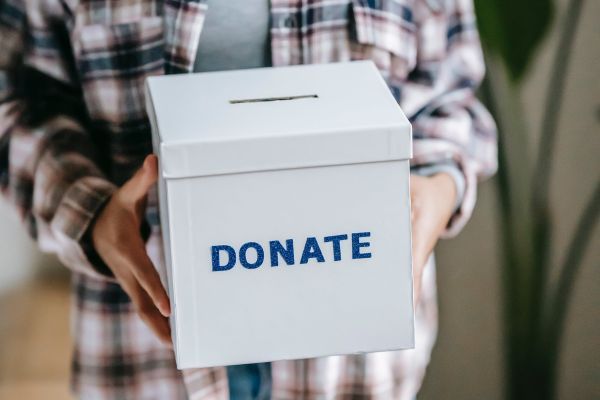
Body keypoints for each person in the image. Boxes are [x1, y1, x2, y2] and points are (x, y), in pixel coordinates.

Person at [0, 0, 497, 398]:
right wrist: (91, 211)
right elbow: (19, 98)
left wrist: (436, 189)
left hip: (352, 366)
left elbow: (450, 97)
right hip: (146, 350)